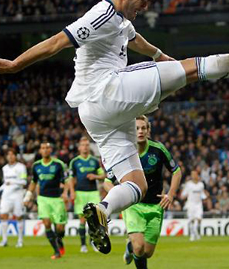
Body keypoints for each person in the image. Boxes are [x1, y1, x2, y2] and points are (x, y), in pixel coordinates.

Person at [0, 0, 229, 253]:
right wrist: (14, 65)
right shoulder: (101, 15)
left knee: (137, 184)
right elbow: (56, 42)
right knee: (194, 70)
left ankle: (102, 210)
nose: (145, 6)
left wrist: (160, 55)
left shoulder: (121, 21)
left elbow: (134, 39)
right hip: (107, 92)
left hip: (96, 116)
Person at [104, 115, 181, 269]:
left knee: (147, 252)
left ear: (148, 130)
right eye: (136, 128)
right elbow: (107, 182)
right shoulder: (123, 153)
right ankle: (134, 247)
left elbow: (176, 171)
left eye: (143, 128)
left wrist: (171, 194)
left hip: (156, 205)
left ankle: (130, 247)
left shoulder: (158, 149)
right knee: (139, 247)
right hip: (134, 206)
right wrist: (122, 196)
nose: (140, 131)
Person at [23, 142, 69, 259]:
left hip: (57, 199)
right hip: (43, 199)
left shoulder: (59, 164)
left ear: (51, 150)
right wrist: (28, 196)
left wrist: (65, 193)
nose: (45, 150)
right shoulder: (36, 166)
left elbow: (66, 180)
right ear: (40, 151)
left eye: (47, 148)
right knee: (47, 223)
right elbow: (34, 182)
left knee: (60, 228)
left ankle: (59, 241)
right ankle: (56, 251)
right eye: (43, 148)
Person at [68, 137, 105, 253]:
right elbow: (71, 178)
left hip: (93, 192)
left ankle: (94, 242)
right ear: (79, 147)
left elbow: (103, 175)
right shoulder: (74, 162)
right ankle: (83, 245)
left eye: (87, 145)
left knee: (94, 220)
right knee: (83, 220)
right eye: (83, 145)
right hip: (80, 193)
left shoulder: (94, 161)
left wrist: (95, 177)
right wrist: (72, 192)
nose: (85, 147)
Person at [0, 149, 27, 248]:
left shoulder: (21, 167)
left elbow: (24, 182)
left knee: (18, 216)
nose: (10, 156)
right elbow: (5, 183)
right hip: (6, 195)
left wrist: (14, 182)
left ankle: (20, 240)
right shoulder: (4, 168)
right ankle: (4, 240)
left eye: (12, 154)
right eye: (8, 155)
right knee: (3, 215)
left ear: (15, 156)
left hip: (17, 195)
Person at [181, 169, 207, 241]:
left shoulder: (201, 184)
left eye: (194, 174)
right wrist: (182, 196)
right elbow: (183, 194)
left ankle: (194, 232)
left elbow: (202, 194)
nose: (193, 176)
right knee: (192, 220)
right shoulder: (188, 184)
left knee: (198, 219)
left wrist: (205, 198)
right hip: (190, 204)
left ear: (197, 175)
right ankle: (194, 234)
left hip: (198, 204)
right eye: (192, 174)